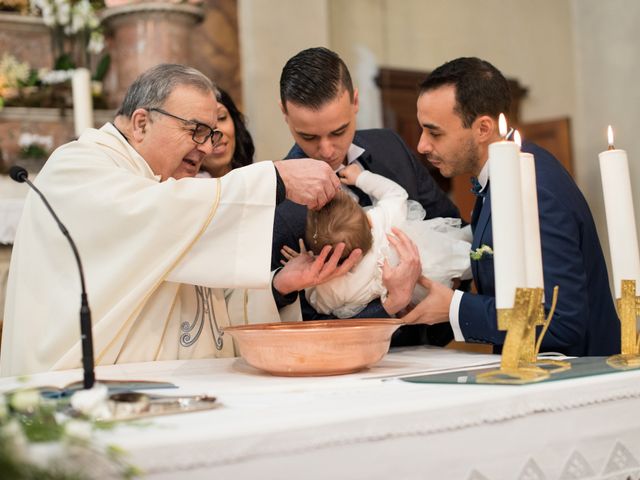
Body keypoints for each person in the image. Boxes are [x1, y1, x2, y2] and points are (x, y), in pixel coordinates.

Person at [0, 64, 359, 376]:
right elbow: (153, 216)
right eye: (196, 131)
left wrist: (277, 285)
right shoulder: (76, 168)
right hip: (83, 394)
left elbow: (201, 300)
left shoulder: (169, 191)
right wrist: (275, 179)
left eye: (211, 134)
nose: (206, 147)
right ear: (141, 123)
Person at [401, 57, 620, 356]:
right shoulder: (502, 178)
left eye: (435, 132)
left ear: (483, 128)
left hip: (574, 378)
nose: (422, 145)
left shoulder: (535, 188)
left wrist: (454, 307)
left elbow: (561, 320)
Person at [272, 46, 460, 346]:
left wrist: (431, 286)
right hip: (345, 362)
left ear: (355, 100)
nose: (326, 150)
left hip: (427, 344)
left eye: (339, 131)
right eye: (308, 136)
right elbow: (306, 320)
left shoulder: (391, 147)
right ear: (285, 113)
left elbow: (449, 220)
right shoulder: (278, 206)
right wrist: (388, 306)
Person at [282, 162, 471, 319]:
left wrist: (306, 266)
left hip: (423, 293)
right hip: (435, 250)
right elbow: (396, 193)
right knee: (467, 246)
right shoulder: (382, 221)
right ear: (368, 220)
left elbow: (319, 304)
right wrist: (361, 177)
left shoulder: (334, 287)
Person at [197, 88, 255, 178]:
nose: (216, 132)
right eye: (201, 126)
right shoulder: (183, 189)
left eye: (221, 117)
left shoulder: (258, 179)